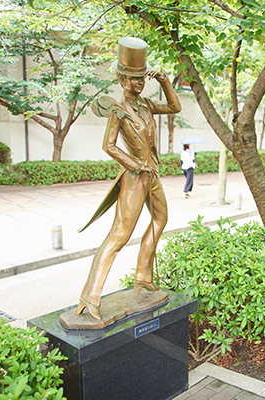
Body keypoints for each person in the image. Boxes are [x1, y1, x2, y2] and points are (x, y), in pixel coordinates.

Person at [75, 37, 182, 320]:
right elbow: (108, 146)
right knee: (119, 235)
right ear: (122, 79)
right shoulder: (117, 110)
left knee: (161, 219)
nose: (139, 84)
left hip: (153, 175)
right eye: (133, 79)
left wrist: (164, 81)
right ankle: (89, 298)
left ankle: (143, 278)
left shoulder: (147, 105)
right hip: (135, 178)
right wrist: (134, 164)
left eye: (141, 78)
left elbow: (175, 108)